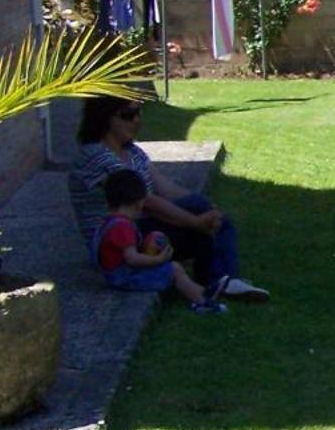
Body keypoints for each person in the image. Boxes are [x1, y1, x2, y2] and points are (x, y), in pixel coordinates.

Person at [71, 94, 269, 301]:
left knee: (207, 214)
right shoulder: (95, 156)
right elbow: (145, 202)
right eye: (128, 114)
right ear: (105, 118)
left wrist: (208, 211)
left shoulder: (132, 151)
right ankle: (221, 280)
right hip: (118, 241)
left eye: (139, 112)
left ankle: (220, 280)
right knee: (199, 221)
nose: (137, 119)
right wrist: (195, 221)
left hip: (139, 230)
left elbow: (166, 188)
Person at [92, 169, 226, 313]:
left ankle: (202, 291)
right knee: (174, 269)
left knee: (167, 256)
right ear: (139, 202)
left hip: (115, 274)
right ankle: (202, 302)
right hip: (124, 278)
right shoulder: (123, 226)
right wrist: (159, 260)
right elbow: (132, 259)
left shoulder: (109, 222)